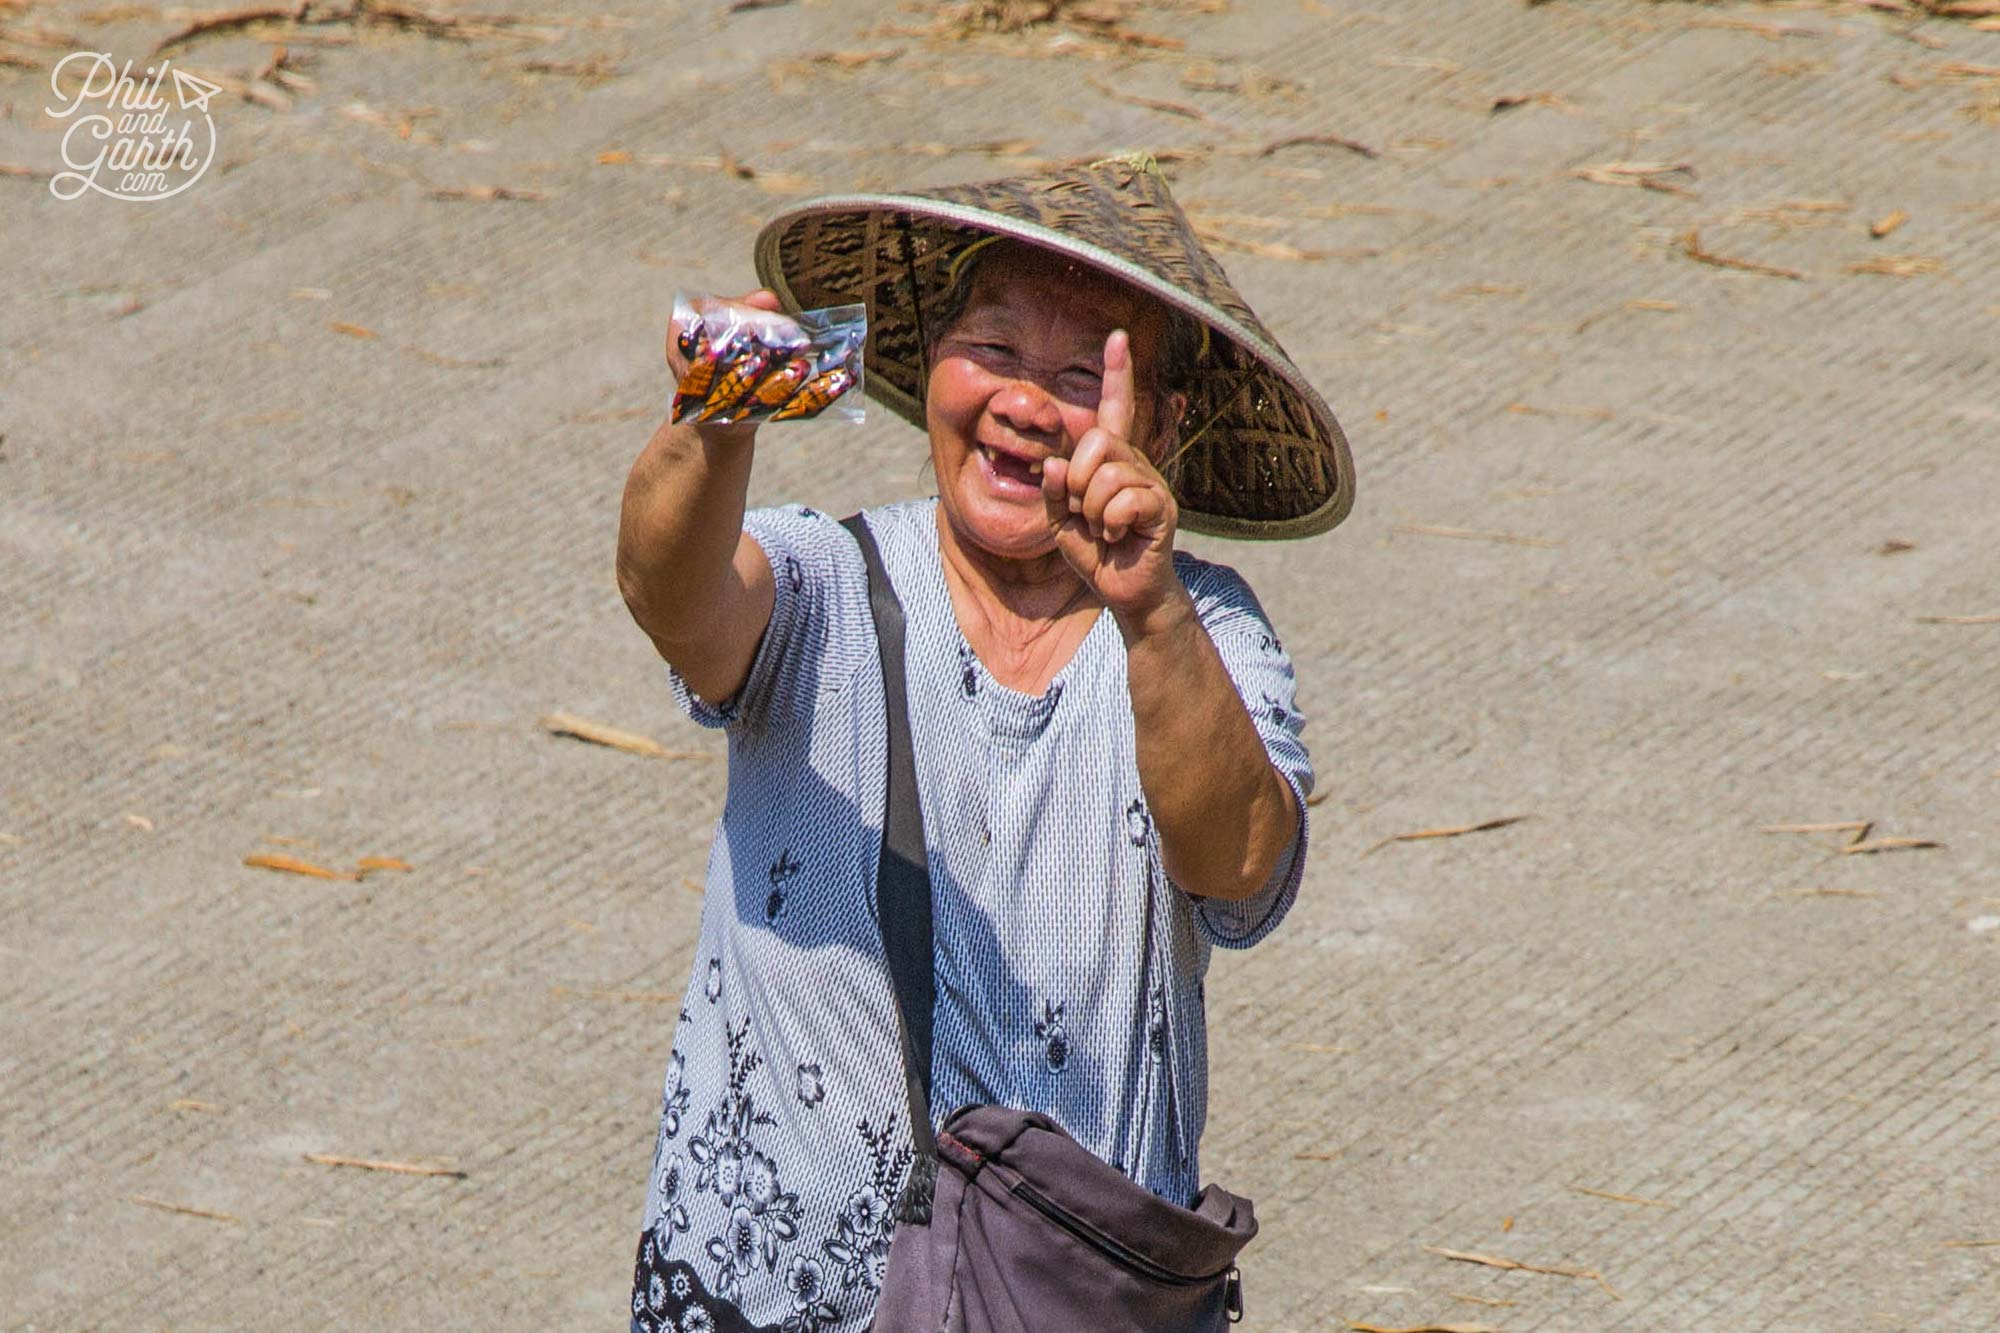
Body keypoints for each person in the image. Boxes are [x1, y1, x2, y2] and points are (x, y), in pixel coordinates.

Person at [616, 154, 1353, 1333]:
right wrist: (709, 430)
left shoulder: (1201, 625)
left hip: (1067, 1295)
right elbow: (674, 592)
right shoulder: (823, 583)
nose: (1023, 402)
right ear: (932, 369)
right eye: (994, 352)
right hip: (774, 1292)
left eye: (1079, 376)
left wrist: (1146, 610)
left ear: (1156, 426)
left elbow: (1240, 861)